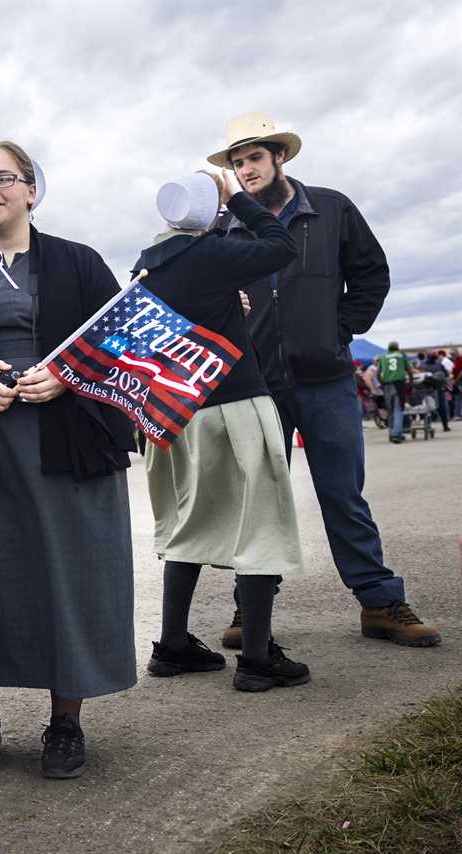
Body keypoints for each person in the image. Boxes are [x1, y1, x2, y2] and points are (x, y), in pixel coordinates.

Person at [0, 140, 136, 780]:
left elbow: (127, 345)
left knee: (69, 580)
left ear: (31, 190)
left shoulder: (79, 263)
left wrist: (70, 377)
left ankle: (66, 725)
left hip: (66, 449)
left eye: (3, 179)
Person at [210, 112, 440, 647]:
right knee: (259, 500)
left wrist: (340, 329)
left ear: (279, 157)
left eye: (254, 158)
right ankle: (251, 612)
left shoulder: (332, 209)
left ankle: (381, 603)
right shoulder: (226, 226)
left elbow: (371, 273)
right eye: (237, 162)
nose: (246, 170)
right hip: (257, 385)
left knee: (343, 494)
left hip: (326, 378)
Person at [140, 170, 310, 692]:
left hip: (176, 409)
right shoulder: (212, 254)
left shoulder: (148, 265)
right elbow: (283, 243)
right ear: (210, 211)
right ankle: (257, 659)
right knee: (260, 522)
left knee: (189, 522)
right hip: (234, 400)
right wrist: (237, 194)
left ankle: (172, 646)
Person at [375, 343, 410, 443]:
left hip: (387, 385)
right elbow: (409, 370)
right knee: (398, 409)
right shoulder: (401, 355)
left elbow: (378, 373)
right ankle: (396, 434)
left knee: (390, 411)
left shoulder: (383, 356)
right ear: (397, 348)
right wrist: (410, 382)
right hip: (399, 385)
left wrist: (382, 384)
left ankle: (391, 434)